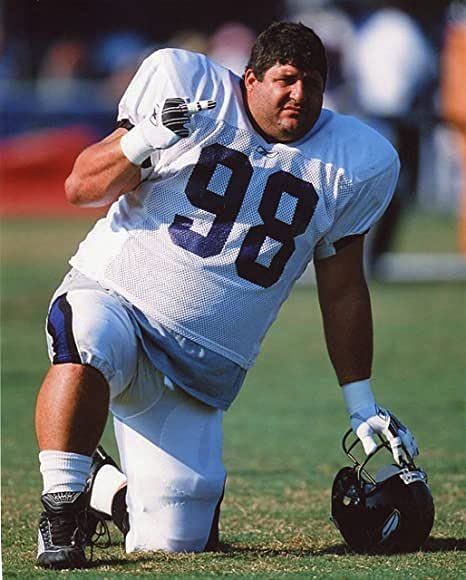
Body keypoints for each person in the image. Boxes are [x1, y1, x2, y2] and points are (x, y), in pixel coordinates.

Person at [35, 21, 419, 569]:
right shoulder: (190, 89)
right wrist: (144, 138)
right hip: (121, 299)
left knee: (172, 537)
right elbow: (81, 188)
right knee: (86, 336)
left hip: (199, 367)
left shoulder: (354, 159)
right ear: (251, 79)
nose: (300, 96)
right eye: (286, 80)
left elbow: (343, 292)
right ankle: (62, 507)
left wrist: (362, 406)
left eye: (313, 83)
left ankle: (106, 489)